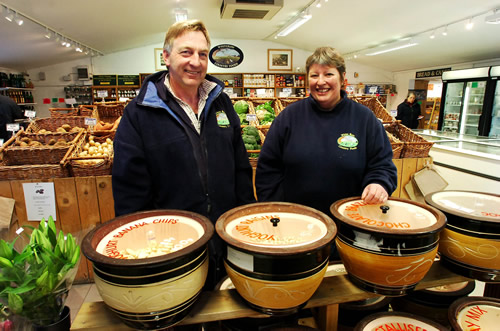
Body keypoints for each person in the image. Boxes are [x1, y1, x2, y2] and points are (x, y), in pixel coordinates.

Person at [111, 19, 255, 288]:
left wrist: (244, 219)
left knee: (231, 310)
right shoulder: (139, 113)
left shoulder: (221, 101)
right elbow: (129, 188)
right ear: (166, 57)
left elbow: (240, 168)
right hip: (171, 244)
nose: (196, 62)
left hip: (226, 237)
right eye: (186, 52)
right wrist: (144, 246)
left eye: (202, 54)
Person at [255, 46, 398, 221]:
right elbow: (267, 169)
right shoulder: (289, 117)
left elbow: (383, 165)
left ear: (342, 78)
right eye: (314, 75)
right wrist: (275, 210)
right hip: (295, 222)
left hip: (351, 223)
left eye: (328, 74)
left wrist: (379, 183)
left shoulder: (364, 118)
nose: (320, 81)